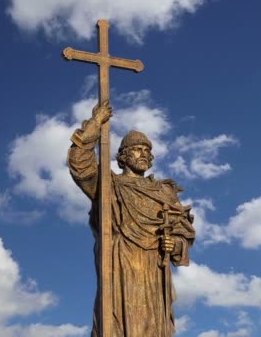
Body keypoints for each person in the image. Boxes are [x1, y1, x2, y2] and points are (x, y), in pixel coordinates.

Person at [67, 101, 195, 337]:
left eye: (147, 150)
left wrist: (175, 245)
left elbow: (183, 233)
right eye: (137, 149)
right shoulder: (109, 184)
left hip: (154, 268)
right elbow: (80, 164)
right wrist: (96, 123)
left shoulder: (163, 192)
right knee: (115, 324)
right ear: (122, 157)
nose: (144, 154)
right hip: (120, 262)